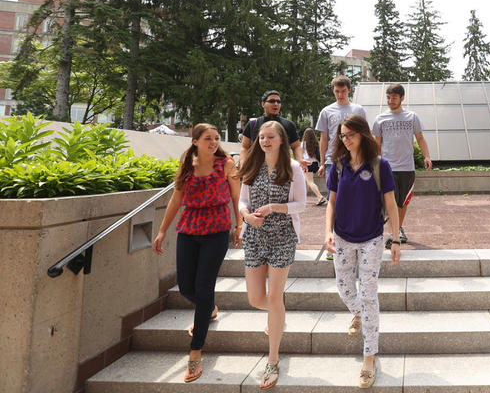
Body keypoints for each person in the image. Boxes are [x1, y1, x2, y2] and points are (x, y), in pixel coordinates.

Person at [152, 123, 241, 383]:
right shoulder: (187, 166)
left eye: (216, 138)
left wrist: (239, 225)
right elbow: (176, 199)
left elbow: (236, 197)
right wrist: (161, 231)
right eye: (208, 138)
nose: (213, 142)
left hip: (216, 232)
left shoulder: (225, 165)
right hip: (188, 230)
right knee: (186, 288)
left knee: (203, 288)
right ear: (195, 141)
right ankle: (210, 308)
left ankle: (195, 352)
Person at [324, 114, 400, 389]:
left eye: (350, 135)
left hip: (372, 238)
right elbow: (331, 202)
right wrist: (327, 231)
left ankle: (369, 357)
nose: (346, 140)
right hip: (343, 237)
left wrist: (396, 237)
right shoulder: (339, 166)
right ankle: (358, 313)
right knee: (344, 289)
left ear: (363, 135)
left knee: (368, 294)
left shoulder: (381, 165)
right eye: (342, 136)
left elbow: (391, 203)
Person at [238, 121, 307, 390]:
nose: (265, 141)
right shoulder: (252, 167)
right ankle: (278, 316)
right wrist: (245, 215)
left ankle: (273, 360)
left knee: (275, 297)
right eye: (262, 137)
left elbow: (301, 203)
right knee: (256, 299)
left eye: (270, 137)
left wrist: (273, 207)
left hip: (282, 237)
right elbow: (243, 200)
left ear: (281, 140)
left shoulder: (292, 169)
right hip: (254, 237)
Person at [372, 83, 433, 248]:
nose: (391, 100)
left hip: (407, 167)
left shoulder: (412, 117)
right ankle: (394, 233)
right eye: (388, 97)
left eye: (394, 97)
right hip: (387, 166)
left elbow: (420, 138)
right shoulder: (380, 119)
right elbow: (377, 143)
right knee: (390, 200)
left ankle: (397, 228)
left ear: (402, 98)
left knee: (403, 202)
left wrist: (427, 156)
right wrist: (375, 163)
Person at [315, 75, 367, 178]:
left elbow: (365, 135)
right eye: (337, 91)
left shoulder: (358, 110)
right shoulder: (326, 111)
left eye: (343, 91)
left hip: (355, 159)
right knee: (332, 193)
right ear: (333, 91)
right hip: (332, 160)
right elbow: (324, 139)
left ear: (349, 90)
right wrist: (322, 163)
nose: (340, 94)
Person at [240, 90, 302, 166]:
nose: (276, 104)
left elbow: (296, 146)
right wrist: (243, 166)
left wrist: (300, 162)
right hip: (256, 170)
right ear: (263, 104)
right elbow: (244, 147)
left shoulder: (289, 125)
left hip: (282, 170)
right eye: (272, 101)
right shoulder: (253, 124)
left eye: (278, 102)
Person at [300, 128, 325, 205]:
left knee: (310, 181)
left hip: (307, 164)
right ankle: (303, 199)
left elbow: (300, 156)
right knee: (307, 181)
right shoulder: (315, 143)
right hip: (315, 165)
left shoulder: (303, 144)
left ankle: (320, 197)